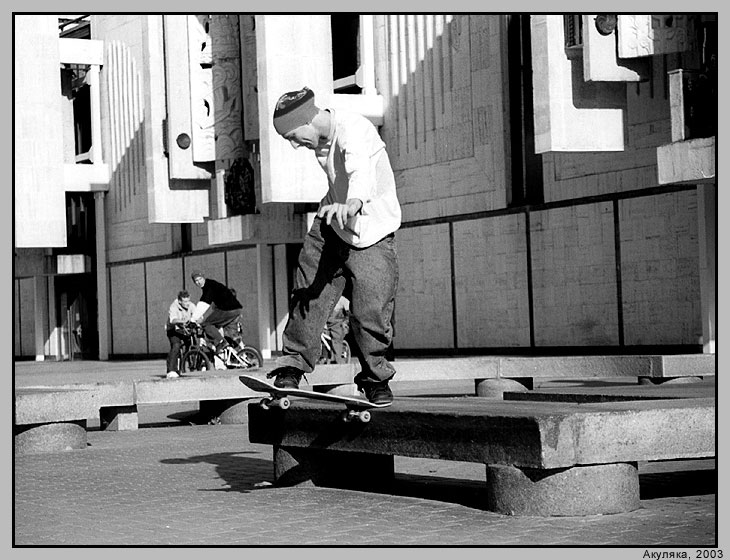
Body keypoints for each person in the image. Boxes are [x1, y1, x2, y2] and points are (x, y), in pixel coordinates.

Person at [267, 86, 401, 404]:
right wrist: (339, 209)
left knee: (371, 310)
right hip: (330, 228)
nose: (296, 145)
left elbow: (359, 171)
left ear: (309, 120)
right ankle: (292, 366)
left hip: (373, 235)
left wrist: (353, 202)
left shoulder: (354, 128)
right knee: (306, 296)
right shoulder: (320, 138)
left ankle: (375, 379)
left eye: (293, 137)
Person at [188, 271, 243, 355]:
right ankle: (241, 356)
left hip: (227, 310)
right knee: (230, 336)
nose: (199, 282)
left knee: (206, 324)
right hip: (237, 310)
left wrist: (193, 320)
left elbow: (204, 303)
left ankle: (220, 342)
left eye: (200, 279)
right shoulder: (213, 284)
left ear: (203, 278)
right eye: (196, 281)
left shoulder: (209, 287)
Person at [165, 290, 196, 379]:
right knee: (176, 345)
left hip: (184, 329)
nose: (187, 303)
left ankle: (191, 363)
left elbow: (199, 317)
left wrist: (197, 321)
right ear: (180, 301)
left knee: (192, 343)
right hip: (173, 330)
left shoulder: (191, 305)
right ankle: (171, 370)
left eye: (188, 301)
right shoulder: (174, 306)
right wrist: (183, 321)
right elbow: (173, 320)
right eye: (185, 301)